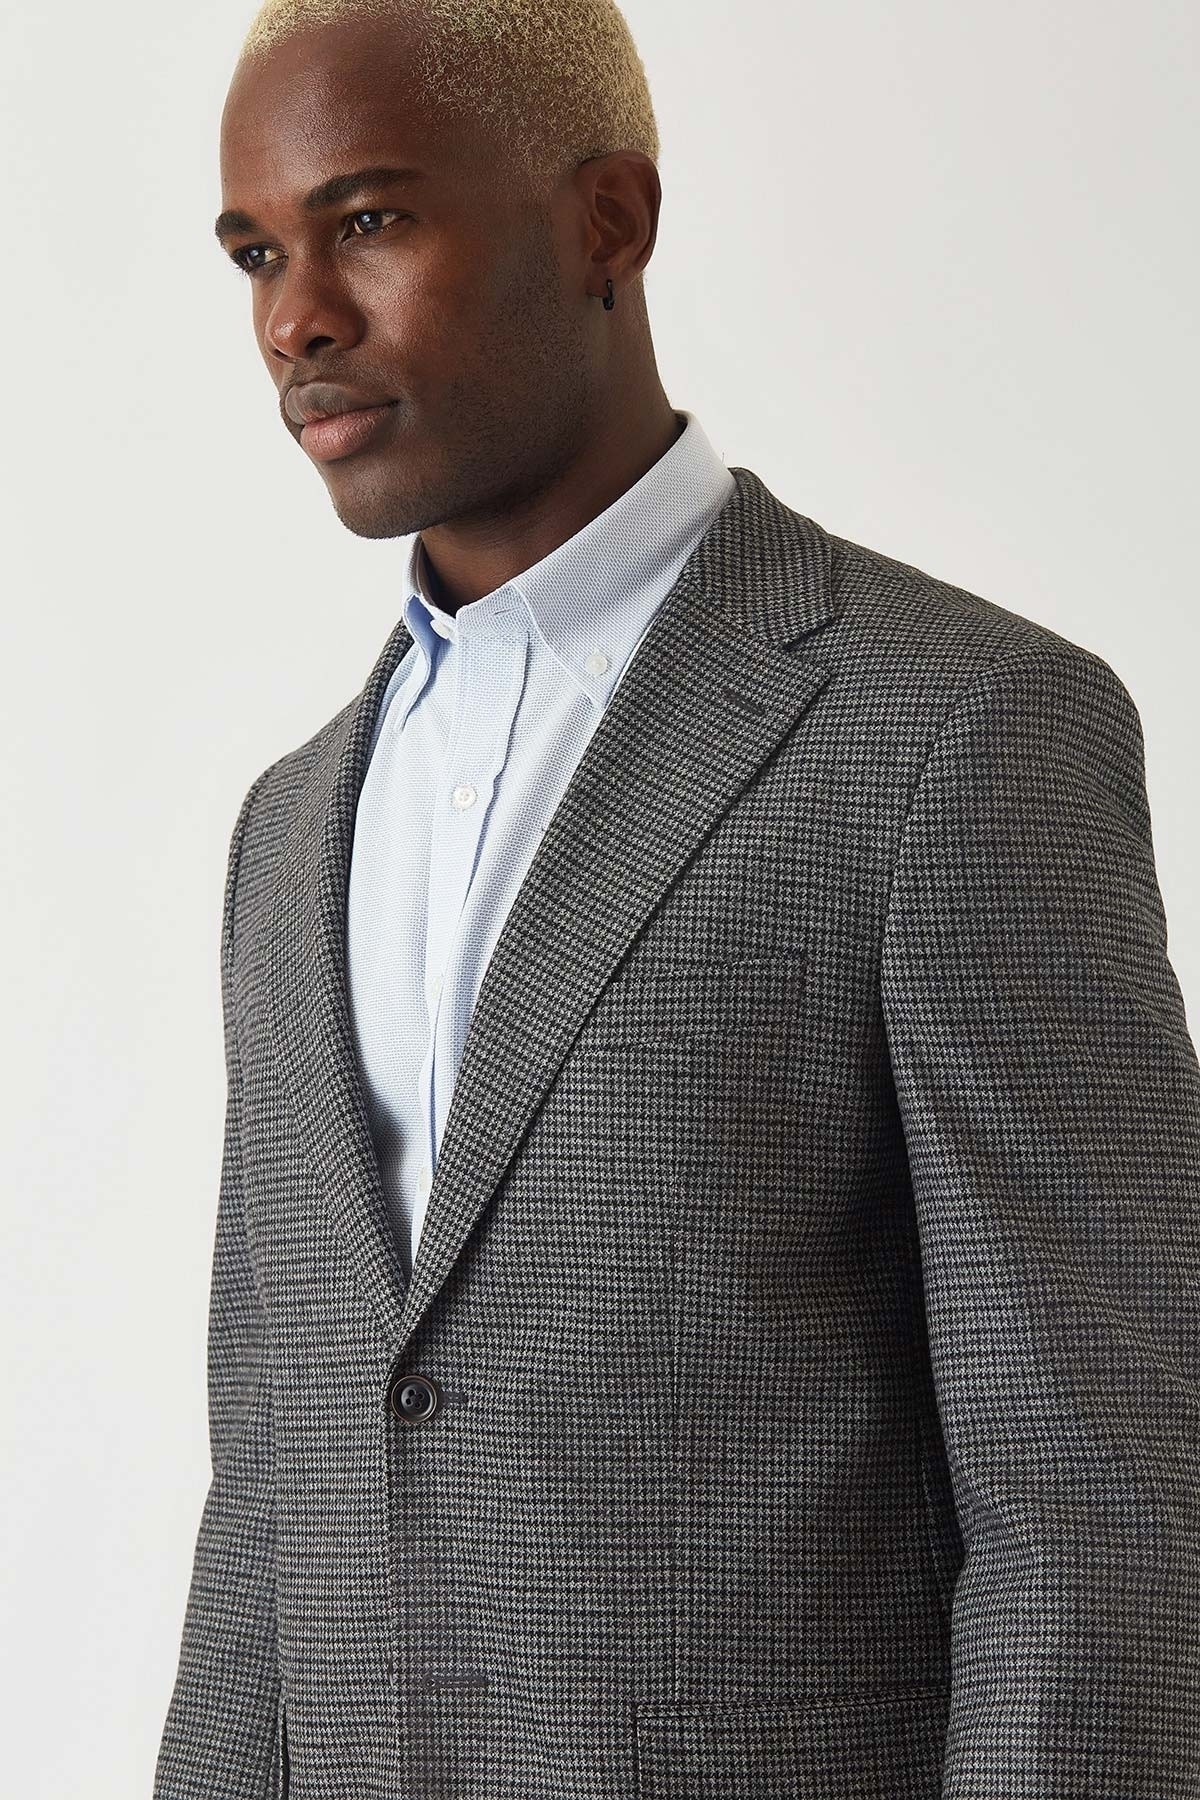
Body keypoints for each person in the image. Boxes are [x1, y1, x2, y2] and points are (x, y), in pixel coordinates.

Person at [155, 0, 1200, 1794]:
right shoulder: (290, 827)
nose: (294, 318)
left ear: (608, 222)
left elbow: (1098, 1500)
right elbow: (268, 1507)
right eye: (256, 252)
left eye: (369, 221)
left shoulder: (952, 729)